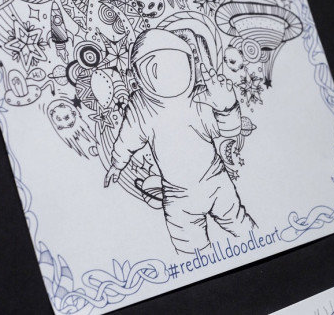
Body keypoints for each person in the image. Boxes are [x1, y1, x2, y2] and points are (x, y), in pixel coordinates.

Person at [104, 28, 256, 254]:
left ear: (189, 65)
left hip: (215, 181)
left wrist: (227, 107)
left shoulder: (200, 97)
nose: (164, 75)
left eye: (174, 64)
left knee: (241, 226)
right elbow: (128, 138)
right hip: (177, 196)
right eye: (153, 68)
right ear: (139, 74)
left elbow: (229, 131)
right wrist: (117, 163)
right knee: (191, 250)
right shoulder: (142, 107)